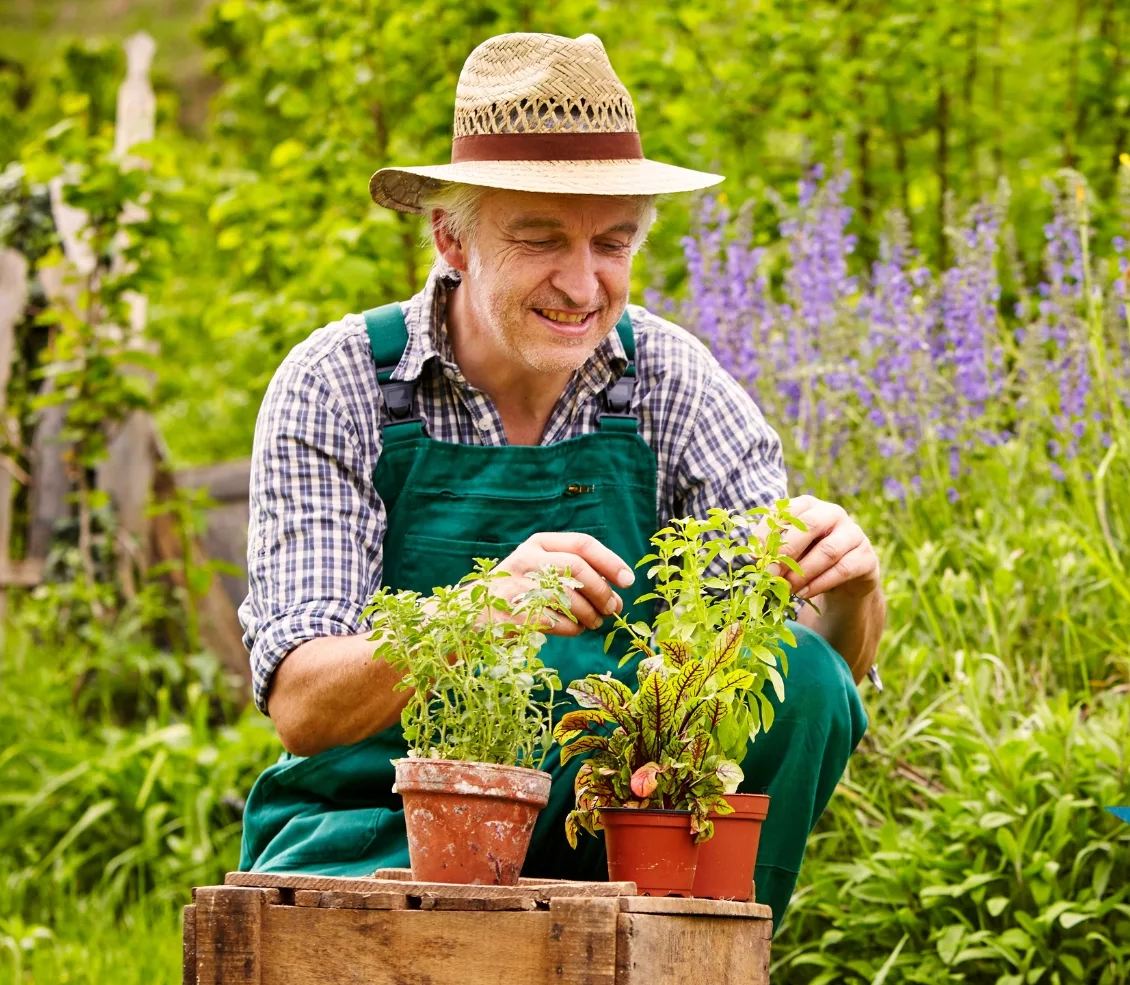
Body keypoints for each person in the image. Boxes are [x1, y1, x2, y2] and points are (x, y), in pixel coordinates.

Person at [234, 31, 882, 916]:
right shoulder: (340, 382)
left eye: (611, 245)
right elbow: (303, 705)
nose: (582, 286)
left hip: (613, 845)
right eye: (541, 240)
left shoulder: (669, 381)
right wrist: (480, 612)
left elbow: (800, 690)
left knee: (802, 674)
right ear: (451, 240)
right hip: (377, 830)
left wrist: (845, 589)